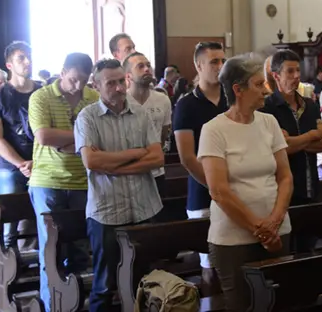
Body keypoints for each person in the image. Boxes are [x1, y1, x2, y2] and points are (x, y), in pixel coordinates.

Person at [198, 56, 293, 312]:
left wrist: (274, 222)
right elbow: (218, 190)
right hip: (233, 240)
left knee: (280, 304)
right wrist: (260, 229)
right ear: (238, 90)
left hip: (278, 231)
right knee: (242, 306)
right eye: (259, 84)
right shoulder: (214, 130)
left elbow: (285, 176)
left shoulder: (269, 122)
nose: (266, 90)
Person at [75, 59, 163, 312]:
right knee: (104, 284)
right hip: (106, 212)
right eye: (110, 83)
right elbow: (91, 160)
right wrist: (137, 152)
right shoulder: (88, 117)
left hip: (144, 206)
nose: (118, 88)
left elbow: (156, 158)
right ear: (96, 85)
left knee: (145, 281)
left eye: (120, 81)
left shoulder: (140, 113)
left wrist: (113, 166)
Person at [27, 53, 97, 312]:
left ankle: (77, 303)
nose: (78, 86)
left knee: (79, 246)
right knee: (50, 247)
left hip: (82, 179)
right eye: (73, 79)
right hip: (48, 179)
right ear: (62, 71)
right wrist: (81, 137)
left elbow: (99, 134)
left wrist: (69, 140)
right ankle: (51, 304)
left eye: (83, 81)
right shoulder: (41, 97)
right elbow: (44, 136)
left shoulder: (93, 98)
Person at [172, 41, 227, 287]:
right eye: (214, 61)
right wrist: (217, 186)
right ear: (198, 65)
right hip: (203, 193)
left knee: (235, 265)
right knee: (211, 269)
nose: (220, 66)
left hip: (236, 186)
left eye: (223, 61)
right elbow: (187, 157)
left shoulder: (233, 98)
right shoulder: (186, 104)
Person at [0, 41, 41, 249]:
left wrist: (36, 162)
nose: (28, 61)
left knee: (41, 221)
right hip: (11, 166)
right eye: (21, 58)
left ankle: (37, 266)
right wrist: (21, 164)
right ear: (9, 65)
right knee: (9, 224)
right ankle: (9, 272)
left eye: (29, 56)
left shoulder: (43, 91)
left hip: (42, 163)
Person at [261, 50, 322, 208]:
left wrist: (293, 141)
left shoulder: (309, 105)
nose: (297, 75)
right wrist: (313, 134)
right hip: (282, 191)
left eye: (298, 70)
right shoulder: (267, 108)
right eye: (290, 71)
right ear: (276, 76)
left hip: (311, 186)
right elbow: (279, 149)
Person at [124, 52, 171, 195]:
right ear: (128, 76)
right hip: (128, 172)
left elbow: (163, 135)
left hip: (156, 171)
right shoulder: (122, 101)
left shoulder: (162, 100)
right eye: (140, 66)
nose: (147, 69)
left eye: (148, 65)